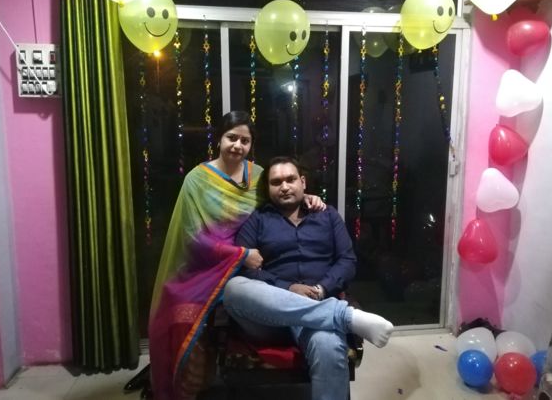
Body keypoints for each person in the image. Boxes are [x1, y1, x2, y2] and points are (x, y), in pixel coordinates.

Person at [147, 112, 325, 399]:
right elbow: (193, 238)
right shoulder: (197, 180)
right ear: (219, 138)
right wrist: (240, 255)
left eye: (245, 140)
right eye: (232, 137)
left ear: (251, 145)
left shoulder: (258, 176)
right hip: (206, 266)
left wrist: (306, 197)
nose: (237, 145)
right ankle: (191, 389)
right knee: (182, 313)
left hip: (256, 263)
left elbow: (282, 193)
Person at [223, 156, 395, 400]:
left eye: (290, 179)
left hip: (317, 309)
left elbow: (347, 261)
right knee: (233, 289)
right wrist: (288, 288)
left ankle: (332, 315)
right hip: (271, 319)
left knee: (329, 347)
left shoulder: (328, 215)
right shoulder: (258, 220)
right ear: (268, 189)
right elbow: (245, 268)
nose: (284, 186)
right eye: (276, 182)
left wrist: (321, 289)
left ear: (302, 182)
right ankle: (344, 317)